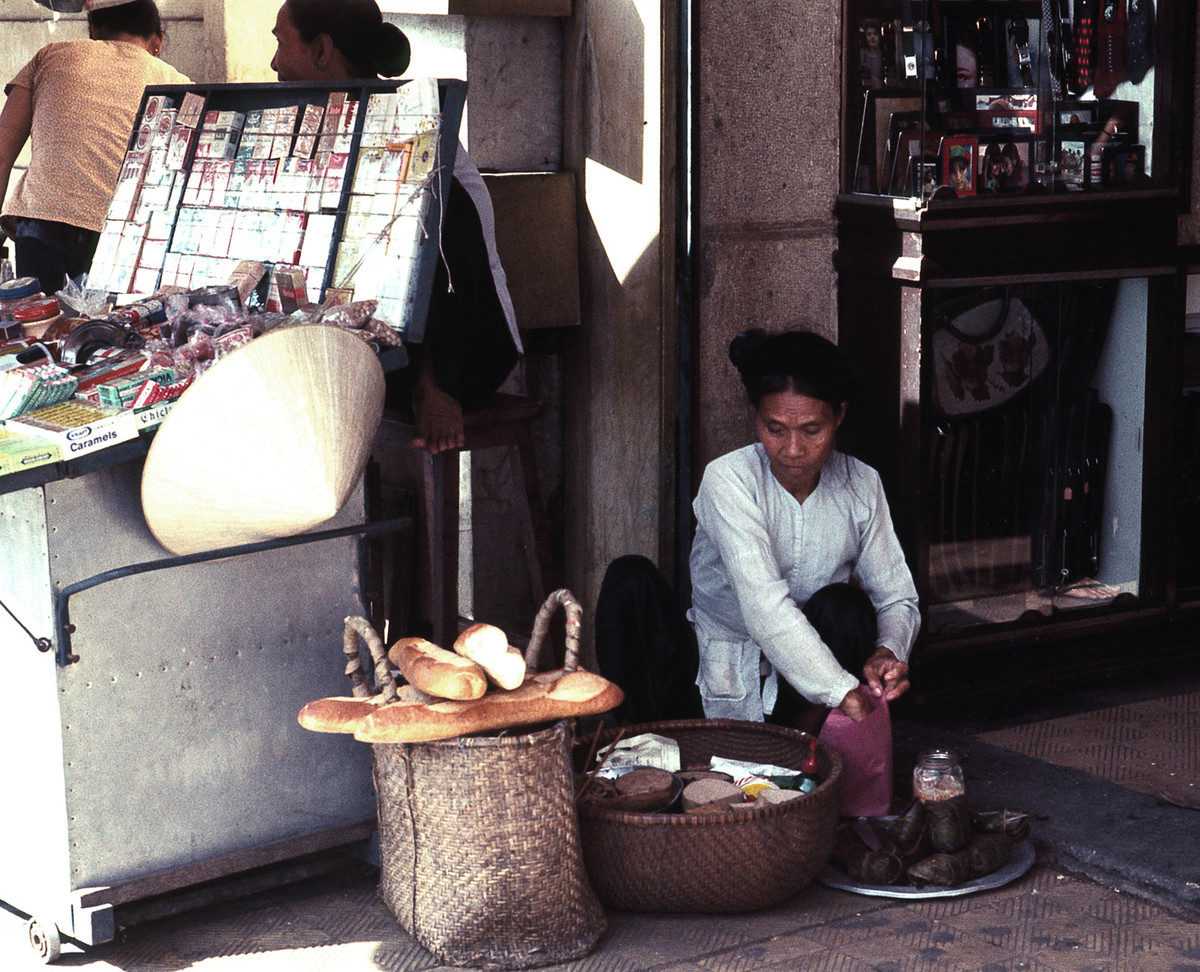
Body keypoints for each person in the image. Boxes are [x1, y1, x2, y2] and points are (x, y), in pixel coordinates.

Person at [269, 0, 522, 455]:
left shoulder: (412, 130)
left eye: (280, 43)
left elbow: (445, 270)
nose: (274, 63)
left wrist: (433, 381)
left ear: (323, 49)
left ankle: (430, 387)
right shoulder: (340, 117)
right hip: (384, 334)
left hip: (463, 342)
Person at [688, 330, 920, 729]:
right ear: (755, 417)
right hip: (722, 665)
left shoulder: (861, 484)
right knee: (630, 580)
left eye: (812, 431)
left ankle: (812, 740)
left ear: (839, 415)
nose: (792, 450)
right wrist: (841, 689)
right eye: (774, 428)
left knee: (846, 608)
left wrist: (887, 650)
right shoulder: (727, 480)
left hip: (809, 684)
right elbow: (765, 609)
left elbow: (897, 596)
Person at [0, 0, 190, 293]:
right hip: (124, 236)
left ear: (94, 29)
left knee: (42, 330)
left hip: (43, 224)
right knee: (113, 333)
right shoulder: (175, 81)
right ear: (158, 40)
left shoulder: (52, 55)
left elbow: (2, 154)